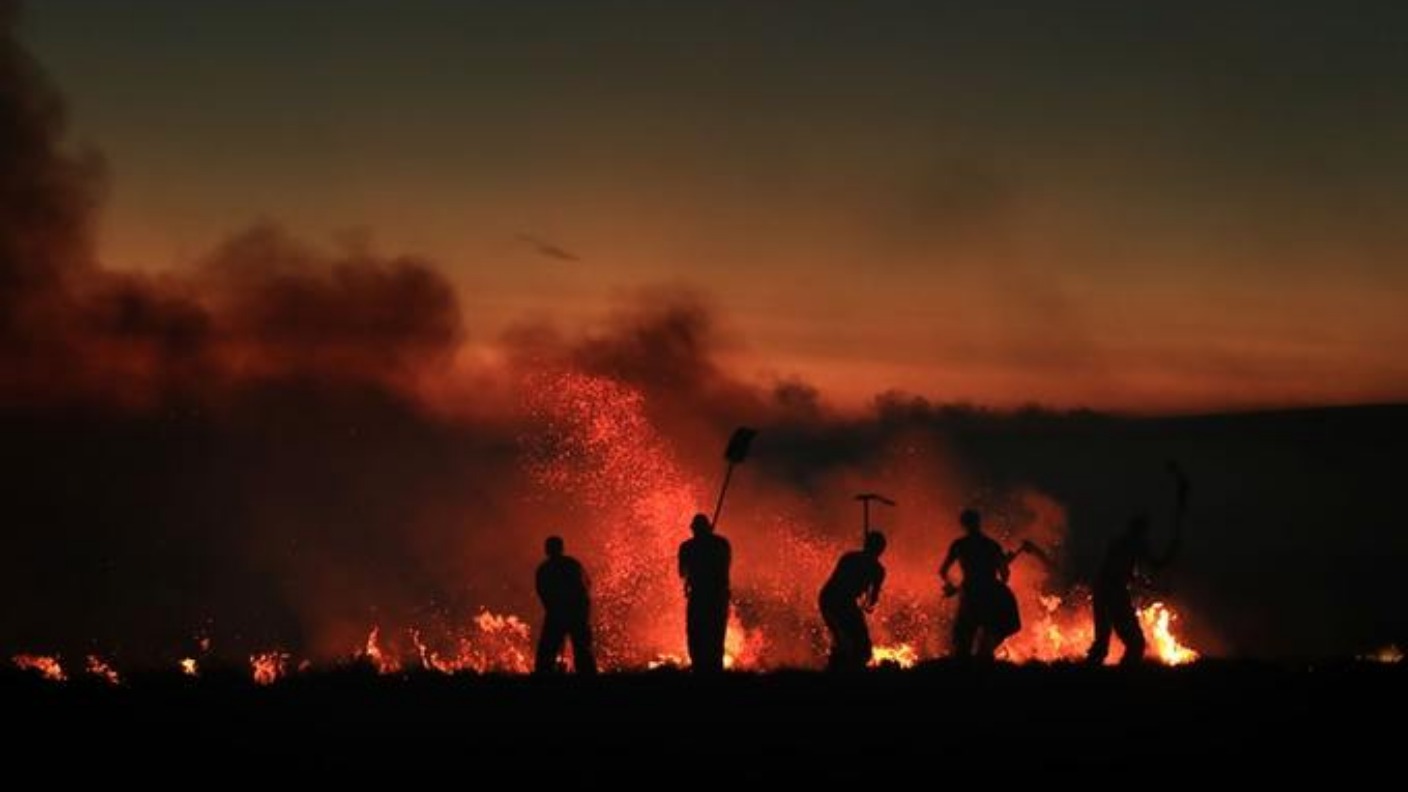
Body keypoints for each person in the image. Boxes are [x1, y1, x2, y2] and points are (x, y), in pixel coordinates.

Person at [1086, 464, 1190, 666]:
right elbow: (1153, 566)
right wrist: (1170, 552)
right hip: (1113, 593)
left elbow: (1124, 575)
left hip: (1102, 591)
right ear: (1141, 531)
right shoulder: (1134, 544)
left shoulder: (1119, 543)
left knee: (1101, 645)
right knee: (1135, 644)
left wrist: (1154, 586)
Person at [940, 508, 1020, 659]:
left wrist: (951, 587)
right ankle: (983, 659)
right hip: (990, 593)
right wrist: (1003, 565)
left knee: (964, 640)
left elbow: (943, 571)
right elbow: (1004, 576)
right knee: (994, 630)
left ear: (964, 524)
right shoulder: (992, 545)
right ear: (978, 523)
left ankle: (966, 665)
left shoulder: (959, 545)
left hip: (969, 593)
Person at [819, 531, 887, 671]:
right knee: (848, 641)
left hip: (835, 600)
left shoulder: (853, 559)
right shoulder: (872, 568)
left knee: (854, 643)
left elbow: (871, 600)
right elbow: (842, 584)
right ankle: (843, 668)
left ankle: (846, 667)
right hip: (834, 600)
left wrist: (867, 601)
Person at [534, 535, 597, 675]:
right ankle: (588, 677)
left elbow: (543, 593)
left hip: (557, 614)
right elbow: (586, 585)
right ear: (562, 548)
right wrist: (583, 611)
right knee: (582, 649)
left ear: (547, 550)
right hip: (576, 614)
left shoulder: (544, 569)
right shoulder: (572, 564)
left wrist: (553, 609)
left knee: (547, 650)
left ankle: (543, 678)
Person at [678, 513, 731, 673]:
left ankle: (699, 668)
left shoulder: (687, 547)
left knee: (696, 633)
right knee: (716, 633)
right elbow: (725, 567)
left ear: (693, 529)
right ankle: (715, 670)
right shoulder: (721, 544)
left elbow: (682, 572)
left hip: (699, 596)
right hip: (718, 597)